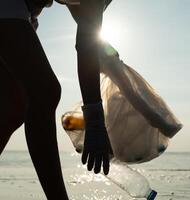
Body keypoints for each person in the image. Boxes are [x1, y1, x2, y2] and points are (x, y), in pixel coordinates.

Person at [0, 0, 112, 199]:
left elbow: (84, 19)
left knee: (16, 105)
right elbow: (86, 42)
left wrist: (105, 51)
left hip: (21, 12)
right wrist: (95, 120)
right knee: (44, 91)